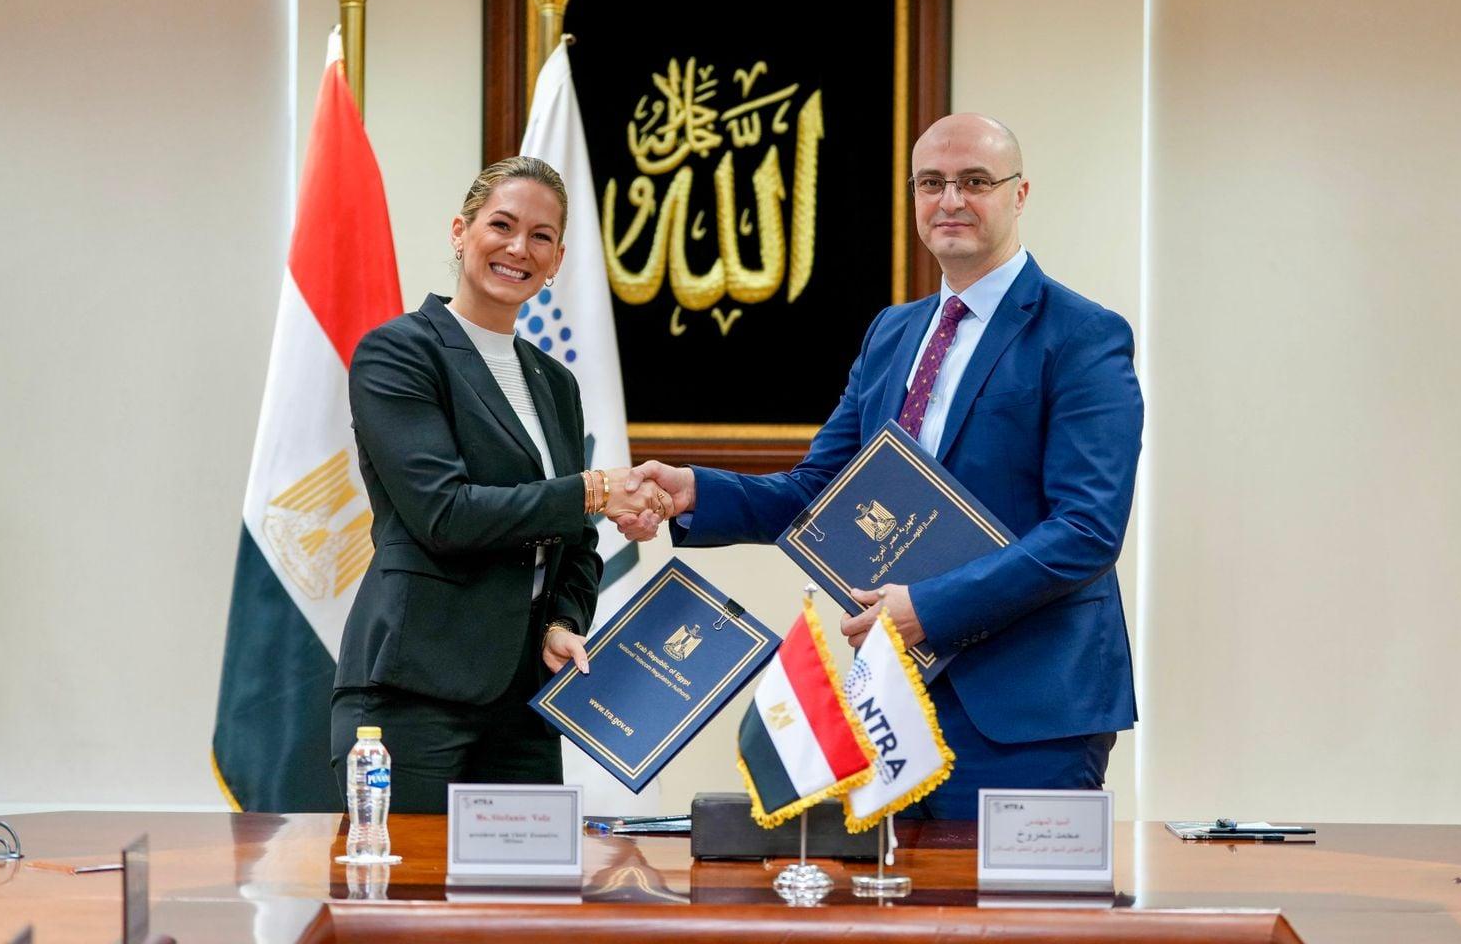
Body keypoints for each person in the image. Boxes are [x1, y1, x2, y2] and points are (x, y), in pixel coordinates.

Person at [617, 114, 1143, 818]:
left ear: (1019, 195)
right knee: (892, 889)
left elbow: (1086, 530)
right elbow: (819, 491)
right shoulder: (893, 332)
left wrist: (928, 610)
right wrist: (694, 493)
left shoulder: (1082, 334)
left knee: (1015, 898)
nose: (950, 200)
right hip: (894, 699)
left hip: (1028, 709)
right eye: (931, 183)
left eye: (975, 181)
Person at [331, 155, 668, 812]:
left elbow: (577, 541)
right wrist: (594, 490)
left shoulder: (555, 383)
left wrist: (562, 620)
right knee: (406, 880)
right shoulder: (398, 352)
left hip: (524, 702)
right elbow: (445, 515)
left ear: (557, 259)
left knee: (527, 878)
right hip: (412, 693)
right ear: (461, 232)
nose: (519, 249)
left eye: (541, 237)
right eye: (502, 225)